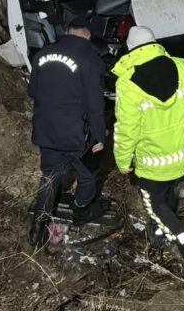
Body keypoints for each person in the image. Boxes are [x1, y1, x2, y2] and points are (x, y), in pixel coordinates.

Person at [112, 26, 184, 274]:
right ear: (155, 43)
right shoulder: (180, 65)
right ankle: (156, 233)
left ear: (131, 50)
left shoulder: (127, 83)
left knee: (155, 205)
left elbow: (126, 130)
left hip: (153, 164)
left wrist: (123, 163)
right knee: (167, 193)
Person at [27, 17, 106, 250]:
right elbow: (95, 104)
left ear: (67, 30)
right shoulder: (91, 59)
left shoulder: (42, 54)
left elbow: (33, 91)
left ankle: (38, 226)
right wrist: (100, 136)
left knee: (50, 176)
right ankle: (81, 210)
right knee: (88, 174)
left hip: (47, 129)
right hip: (76, 133)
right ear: (89, 34)